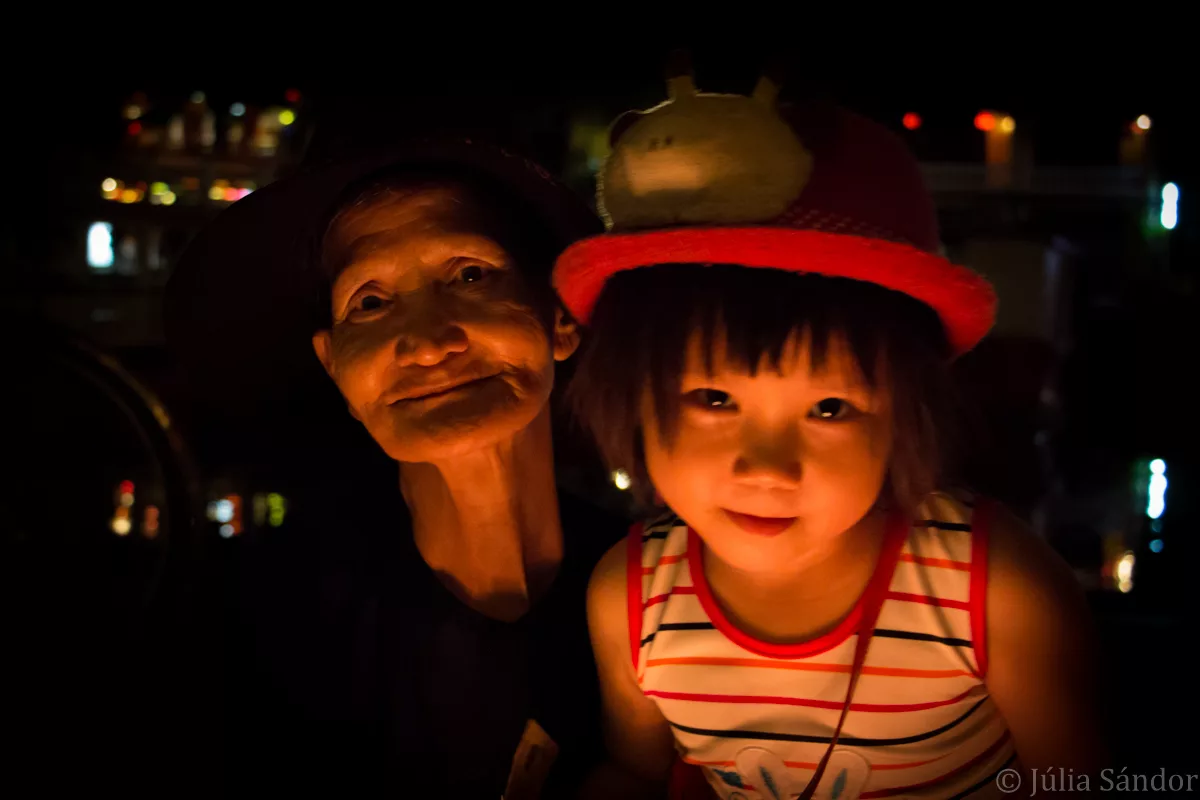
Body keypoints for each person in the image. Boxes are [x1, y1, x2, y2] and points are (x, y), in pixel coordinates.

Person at [554, 67, 1106, 798]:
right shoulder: (631, 599)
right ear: (631, 393)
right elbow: (636, 770)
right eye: (714, 398)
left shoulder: (993, 589)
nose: (768, 467)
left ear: (903, 414)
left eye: (830, 409)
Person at [164, 103, 624, 798]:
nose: (430, 343)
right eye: (371, 303)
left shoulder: (664, 591)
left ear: (558, 317)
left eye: (470, 276)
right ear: (334, 366)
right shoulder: (270, 619)